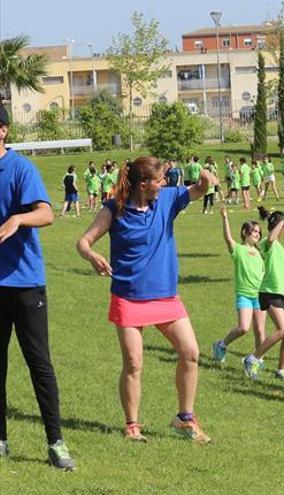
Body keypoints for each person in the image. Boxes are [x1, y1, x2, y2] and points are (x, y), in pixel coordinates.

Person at [76, 156, 215, 445]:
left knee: (191, 352)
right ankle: (132, 426)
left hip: (165, 296)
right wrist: (93, 256)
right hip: (128, 296)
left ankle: (185, 418)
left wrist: (200, 170)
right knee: (134, 363)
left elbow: (202, 187)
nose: (163, 184)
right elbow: (83, 242)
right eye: (158, 181)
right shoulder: (115, 208)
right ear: (143, 184)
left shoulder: (166, 200)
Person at [0, 105, 76, 469]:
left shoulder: (19, 168)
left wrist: (18, 217)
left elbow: (46, 213)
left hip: (25, 285)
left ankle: (56, 442)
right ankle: (0, 439)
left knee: (38, 364)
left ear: (3, 130)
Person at [241, 206, 284, 384]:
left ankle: (281, 370)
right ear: (278, 226)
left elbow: (279, 271)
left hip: (280, 292)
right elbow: (272, 235)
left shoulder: (279, 247)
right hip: (269, 293)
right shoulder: (268, 242)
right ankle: (253, 359)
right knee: (282, 330)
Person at [211, 207, 266, 363]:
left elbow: (269, 273)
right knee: (243, 327)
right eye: (254, 231)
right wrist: (225, 218)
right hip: (244, 295)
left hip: (259, 296)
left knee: (260, 331)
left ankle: (257, 361)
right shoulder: (239, 250)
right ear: (245, 233)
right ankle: (221, 345)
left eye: (258, 232)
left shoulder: (260, 253)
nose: (257, 234)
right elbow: (228, 239)